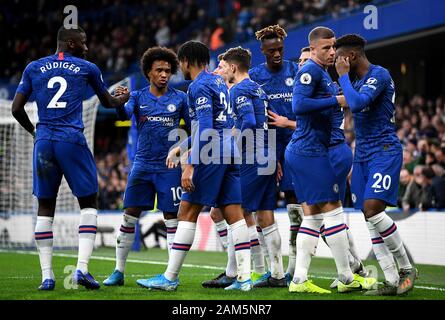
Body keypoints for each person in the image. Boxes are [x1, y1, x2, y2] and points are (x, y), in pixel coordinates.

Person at [11, 26, 130, 290]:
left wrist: (34, 131)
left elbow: (16, 109)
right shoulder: (87, 68)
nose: (86, 47)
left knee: (45, 207)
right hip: (71, 140)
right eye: (83, 42)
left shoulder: (33, 67)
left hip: (43, 142)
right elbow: (108, 103)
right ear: (71, 43)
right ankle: (82, 270)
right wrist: (124, 98)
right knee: (88, 203)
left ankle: (47, 277)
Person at [137, 41, 252, 292]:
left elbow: (207, 129)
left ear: (186, 61)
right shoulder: (219, 82)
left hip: (212, 154)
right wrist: (182, 145)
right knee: (235, 215)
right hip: (230, 152)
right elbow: (214, 125)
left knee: (187, 211)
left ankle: (169, 278)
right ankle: (244, 279)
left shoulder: (198, 86)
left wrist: (189, 164)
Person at [269, 42, 374, 290]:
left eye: (308, 60)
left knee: (320, 215)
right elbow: (308, 112)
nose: (304, 66)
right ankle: (346, 273)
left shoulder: (326, 82)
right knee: (326, 213)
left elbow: (333, 112)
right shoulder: (316, 81)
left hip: (327, 152)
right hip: (314, 153)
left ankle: (320, 274)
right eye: (301, 62)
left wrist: (288, 122)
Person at [335, 33, 417, 295]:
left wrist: (342, 78)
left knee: (373, 209)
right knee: (368, 217)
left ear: (351, 56)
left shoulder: (378, 75)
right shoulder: (357, 81)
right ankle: (391, 279)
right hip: (362, 156)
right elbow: (345, 100)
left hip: (384, 151)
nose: (336, 62)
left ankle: (406, 268)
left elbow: (357, 104)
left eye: (339, 57)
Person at [102, 47, 190, 286]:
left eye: (168, 71)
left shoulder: (181, 98)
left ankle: (171, 275)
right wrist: (120, 102)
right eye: (159, 70)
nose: (164, 74)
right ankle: (118, 271)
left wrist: (185, 153)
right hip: (141, 166)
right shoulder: (138, 97)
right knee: (129, 216)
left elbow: (195, 129)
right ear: (148, 73)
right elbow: (122, 114)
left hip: (169, 167)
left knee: (172, 218)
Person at [286, 26, 358, 294]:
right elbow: (298, 106)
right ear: (313, 48)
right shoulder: (310, 71)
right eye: (327, 47)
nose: (332, 51)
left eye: (333, 46)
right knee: (333, 210)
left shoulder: (324, 75)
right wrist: (337, 100)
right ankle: (347, 276)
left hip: (311, 150)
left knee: (314, 216)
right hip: (309, 151)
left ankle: (299, 280)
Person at [224, 46, 286, 287]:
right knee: (265, 215)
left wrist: (232, 142)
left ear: (232, 67)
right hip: (267, 154)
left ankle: (243, 277)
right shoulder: (259, 89)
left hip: (252, 156)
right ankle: (278, 275)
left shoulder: (238, 89)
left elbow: (248, 121)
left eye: (226, 67)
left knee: (239, 213)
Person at [249, 24, 302, 284]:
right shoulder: (253, 77)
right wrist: (269, 155)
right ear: (262, 51)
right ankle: (269, 268)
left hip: (296, 144)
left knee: (297, 207)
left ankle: (293, 268)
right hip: (266, 145)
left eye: (280, 49)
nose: (277, 54)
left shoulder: (297, 71)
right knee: (261, 207)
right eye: (272, 50)